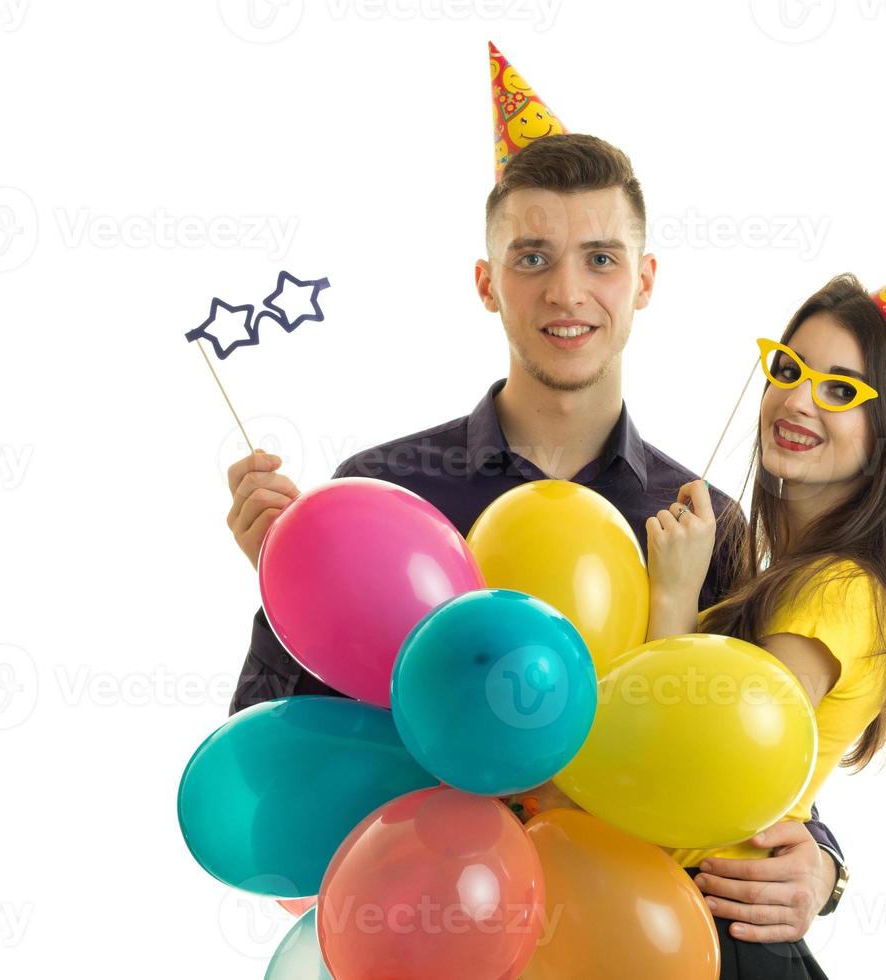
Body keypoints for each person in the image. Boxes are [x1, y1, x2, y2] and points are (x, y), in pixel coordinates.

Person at [220, 132, 848, 936]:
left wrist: (820, 864)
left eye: (600, 258)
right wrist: (284, 586)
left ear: (645, 280)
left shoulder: (705, 521)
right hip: (429, 936)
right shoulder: (386, 492)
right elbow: (275, 760)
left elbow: (744, 748)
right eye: (531, 259)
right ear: (486, 283)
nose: (567, 292)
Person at [627, 271, 886, 977]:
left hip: (718, 936)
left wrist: (673, 599)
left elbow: (707, 773)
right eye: (789, 369)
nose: (798, 398)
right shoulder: (783, 577)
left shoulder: (835, 591)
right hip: (687, 927)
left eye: (840, 390)